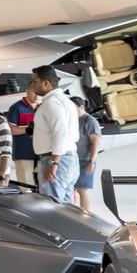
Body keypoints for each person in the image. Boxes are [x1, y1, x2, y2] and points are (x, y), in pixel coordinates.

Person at [28, 65, 79, 203]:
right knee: (67, 209)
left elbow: (60, 133)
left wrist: (54, 162)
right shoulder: (66, 101)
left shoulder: (52, 103)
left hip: (56, 159)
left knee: (52, 207)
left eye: (35, 81)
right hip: (68, 158)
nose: (33, 85)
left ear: (46, 83)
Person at [70, 97, 102, 212]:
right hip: (74, 159)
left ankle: (85, 214)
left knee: (82, 190)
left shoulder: (90, 121)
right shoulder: (73, 120)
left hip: (85, 160)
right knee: (72, 188)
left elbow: (95, 142)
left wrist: (91, 162)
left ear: (81, 107)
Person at [6, 87, 40, 186]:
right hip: (23, 154)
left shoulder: (41, 108)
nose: (37, 96)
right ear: (27, 91)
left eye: (38, 93)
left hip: (40, 154)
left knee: (41, 187)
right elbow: (11, 129)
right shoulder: (16, 107)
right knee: (26, 185)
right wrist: (28, 130)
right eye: (34, 92)